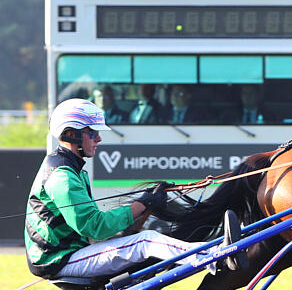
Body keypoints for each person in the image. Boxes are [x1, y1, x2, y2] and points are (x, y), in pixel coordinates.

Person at [24, 98, 244, 280]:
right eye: (92, 133)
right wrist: (142, 204)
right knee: (145, 241)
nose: (99, 138)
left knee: (144, 241)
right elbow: (95, 227)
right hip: (59, 260)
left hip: (71, 252)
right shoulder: (62, 177)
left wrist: (144, 202)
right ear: (71, 134)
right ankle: (214, 256)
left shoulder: (72, 168)